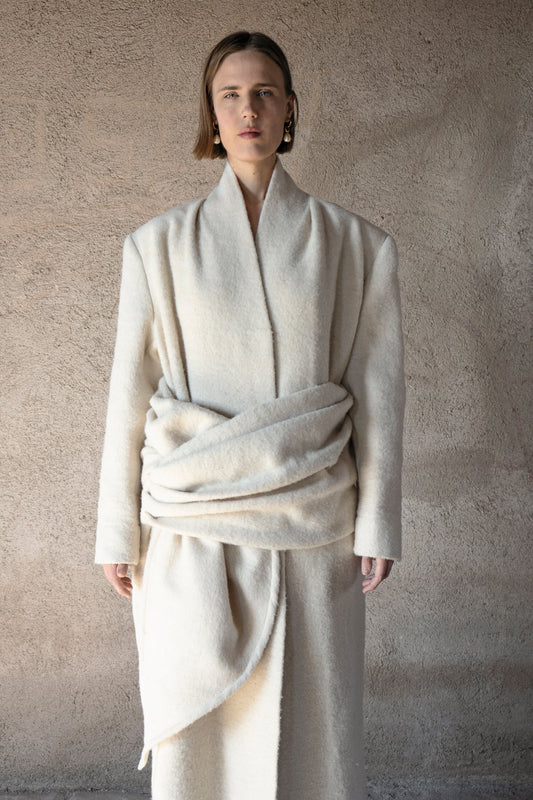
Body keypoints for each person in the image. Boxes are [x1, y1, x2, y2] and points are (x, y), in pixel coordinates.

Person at [95, 30, 405, 800]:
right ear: (210, 111)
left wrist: (378, 522)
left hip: (310, 526)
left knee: (311, 732)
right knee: (205, 743)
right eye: (230, 94)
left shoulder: (355, 246)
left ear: (289, 107)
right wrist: (115, 531)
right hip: (194, 534)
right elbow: (129, 394)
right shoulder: (156, 247)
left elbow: (378, 393)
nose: (248, 110)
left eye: (264, 92)